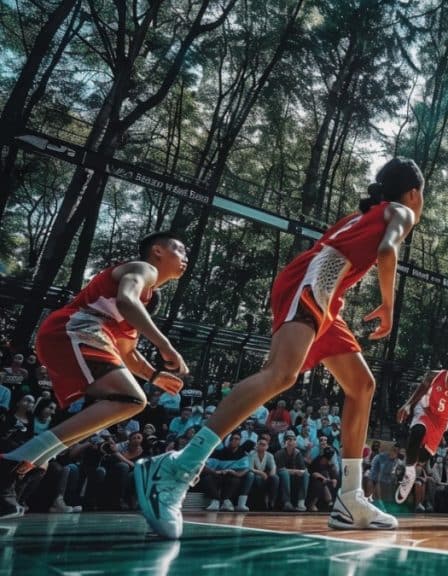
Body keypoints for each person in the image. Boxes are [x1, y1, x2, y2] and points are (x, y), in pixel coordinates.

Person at [135, 158, 424, 538]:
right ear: (415, 194)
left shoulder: (367, 213)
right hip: (313, 284)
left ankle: (350, 498)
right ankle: (177, 466)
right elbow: (387, 252)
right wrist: (388, 304)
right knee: (281, 374)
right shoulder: (403, 211)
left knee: (361, 386)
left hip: (324, 292)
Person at [1, 232, 189, 518]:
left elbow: (128, 354)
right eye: (179, 249)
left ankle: (23, 466)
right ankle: (21, 458)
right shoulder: (143, 268)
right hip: (74, 328)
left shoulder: (131, 315)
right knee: (130, 398)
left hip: (79, 334)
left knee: (129, 402)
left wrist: (153, 376)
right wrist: (166, 346)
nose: (185, 257)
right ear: (157, 250)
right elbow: (127, 300)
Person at [394, 356, 448, 504]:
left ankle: (409, 463)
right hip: (425, 409)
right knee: (418, 430)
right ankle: (409, 474)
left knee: (423, 457)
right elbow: (420, 390)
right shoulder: (434, 375)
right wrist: (407, 405)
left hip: (440, 422)